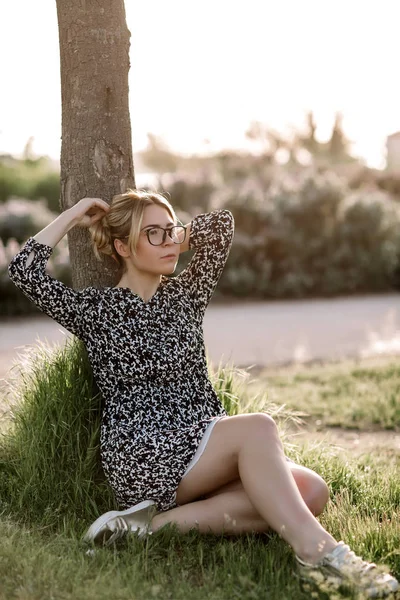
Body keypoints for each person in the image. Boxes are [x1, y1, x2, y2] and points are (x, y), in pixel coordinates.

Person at [8, 189, 398, 598]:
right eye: (153, 235)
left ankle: (141, 528)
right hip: (142, 451)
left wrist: (170, 234)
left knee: (312, 491)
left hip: (202, 440)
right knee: (257, 428)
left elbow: (221, 226)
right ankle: (322, 554)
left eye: (171, 230)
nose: (170, 242)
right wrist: (73, 215)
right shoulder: (97, 310)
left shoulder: (186, 296)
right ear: (122, 246)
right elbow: (24, 269)